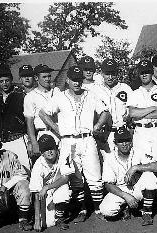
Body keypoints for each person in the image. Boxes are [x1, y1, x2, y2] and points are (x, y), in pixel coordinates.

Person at [47, 66, 110, 221]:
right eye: (73, 80)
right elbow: (44, 112)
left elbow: (105, 112)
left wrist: (97, 126)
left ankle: (98, 209)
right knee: (75, 177)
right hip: (68, 140)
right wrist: (56, 128)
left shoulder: (90, 95)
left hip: (87, 138)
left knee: (94, 175)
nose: (76, 83)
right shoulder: (59, 97)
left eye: (79, 80)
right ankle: (81, 210)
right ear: (67, 80)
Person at [127, 59, 157, 211]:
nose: (144, 74)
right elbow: (132, 113)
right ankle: (145, 195)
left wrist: (143, 112)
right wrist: (152, 109)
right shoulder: (134, 93)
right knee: (140, 162)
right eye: (142, 72)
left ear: (152, 73)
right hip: (141, 131)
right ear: (138, 74)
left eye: (147, 71)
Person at [99, 127, 157, 226]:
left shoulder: (138, 151)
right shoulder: (109, 158)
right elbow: (108, 185)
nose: (124, 144)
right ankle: (125, 208)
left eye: (127, 140)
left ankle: (146, 212)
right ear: (115, 143)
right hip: (121, 190)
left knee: (150, 176)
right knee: (106, 210)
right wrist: (125, 196)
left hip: (138, 187)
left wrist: (136, 167)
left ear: (131, 141)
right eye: (120, 141)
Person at [29, 134, 76, 231]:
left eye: (51, 148)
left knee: (64, 191)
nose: (49, 152)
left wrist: (47, 187)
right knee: (47, 224)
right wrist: (37, 220)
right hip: (45, 194)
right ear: (42, 153)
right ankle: (59, 212)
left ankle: (60, 217)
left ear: (56, 148)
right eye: (46, 149)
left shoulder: (64, 156)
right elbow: (36, 193)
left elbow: (65, 178)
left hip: (57, 187)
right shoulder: (38, 165)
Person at [0, 65, 31, 171]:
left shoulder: (20, 95)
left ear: (11, 80)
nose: (4, 83)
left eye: (7, 80)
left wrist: (30, 140)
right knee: (5, 172)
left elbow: (27, 119)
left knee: (24, 168)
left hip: (18, 138)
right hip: (1, 141)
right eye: (1, 81)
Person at [23, 64, 61, 164]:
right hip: (43, 133)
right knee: (47, 166)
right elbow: (29, 122)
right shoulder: (30, 96)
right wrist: (34, 142)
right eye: (44, 77)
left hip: (60, 133)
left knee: (63, 165)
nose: (47, 79)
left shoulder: (57, 92)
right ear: (36, 78)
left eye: (49, 76)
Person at [96, 58, 133, 155]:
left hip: (123, 132)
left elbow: (132, 109)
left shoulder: (125, 88)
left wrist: (129, 117)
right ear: (102, 73)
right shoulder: (96, 90)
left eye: (113, 73)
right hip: (105, 134)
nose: (110, 77)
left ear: (117, 73)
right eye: (107, 73)